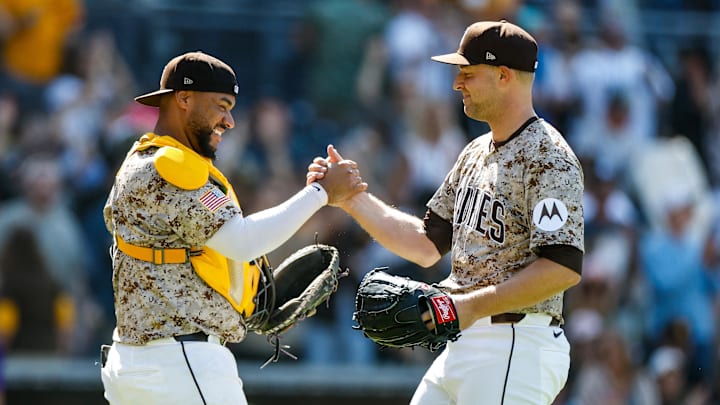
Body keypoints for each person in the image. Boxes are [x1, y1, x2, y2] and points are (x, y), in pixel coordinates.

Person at [310, 20, 584, 404]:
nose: (457, 84)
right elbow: (426, 244)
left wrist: (471, 305)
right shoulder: (474, 152)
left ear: (504, 76)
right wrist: (352, 198)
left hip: (516, 344)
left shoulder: (548, 157)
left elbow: (562, 267)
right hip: (463, 343)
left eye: (468, 74)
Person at [99, 51, 366, 405]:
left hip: (146, 360)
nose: (229, 120)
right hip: (178, 362)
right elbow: (242, 241)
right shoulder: (171, 165)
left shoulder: (144, 159)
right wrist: (320, 193)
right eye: (221, 105)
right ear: (184, 98)